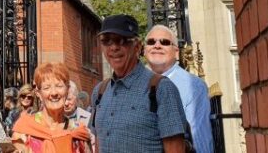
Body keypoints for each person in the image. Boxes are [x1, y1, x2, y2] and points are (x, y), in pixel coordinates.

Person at [90, 15, 187, 153]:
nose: (113, 47)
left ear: (137, 46)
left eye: (120, 40)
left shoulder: (161, 88)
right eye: (106, 41)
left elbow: (175, 149)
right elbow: (99, 142)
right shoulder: (100, 91)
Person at [145, 25, 214, 153]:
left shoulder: (192, 85)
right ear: (145, 50)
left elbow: (199, 137)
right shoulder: (136, 83)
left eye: (164, 42)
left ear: (176, 52)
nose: (157, 45)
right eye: (151, 42)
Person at [11, 63, 91, 153]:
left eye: (59, 86)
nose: (53, 93)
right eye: (47, 88)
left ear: (67, 90)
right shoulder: (24, 130)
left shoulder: (79, 133)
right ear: (39, 94)